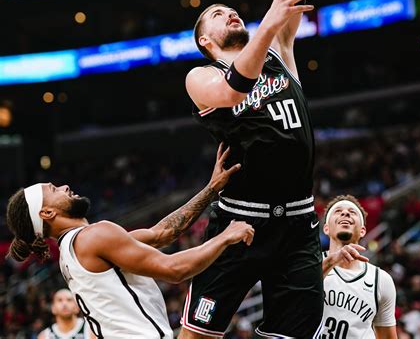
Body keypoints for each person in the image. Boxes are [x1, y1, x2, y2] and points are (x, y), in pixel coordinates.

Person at [182, 0, 321, 339]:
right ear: (206, 39)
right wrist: (268, 21)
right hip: (237, 225)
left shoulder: (280, 47)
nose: (230, 14)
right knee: (197, 336)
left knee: (294, 334)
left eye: (232, 9)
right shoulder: (201, 75)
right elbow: (232, 89)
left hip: (300, 223)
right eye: (218, 15)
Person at [6, 144, 255, 339]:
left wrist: (212, 188)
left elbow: (162, 233)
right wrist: (225, 237)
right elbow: (175, 270)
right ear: (47, 213)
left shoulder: (76, 250)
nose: (64, 186)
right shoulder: (94, 237)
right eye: (54, 189)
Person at [321, 194, 398, 339]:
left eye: (352, 212)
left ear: (363, 231)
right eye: (338, 211)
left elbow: (387, 337)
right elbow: (295, 293)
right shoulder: (309, 263)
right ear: (326, 228)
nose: (345, 213)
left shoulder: (381, 280)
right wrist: (332, 261)